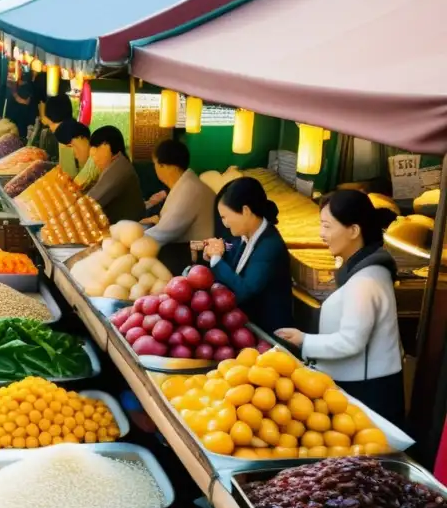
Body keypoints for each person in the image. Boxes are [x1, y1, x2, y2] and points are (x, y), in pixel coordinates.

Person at [275, 190, 404, 425]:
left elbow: (351, 342)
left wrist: (304, 340)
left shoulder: (365, 282)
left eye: (327, 226)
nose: (321, 234)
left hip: (367, 394)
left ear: (353, 230)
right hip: (362, 384)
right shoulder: (363, 269)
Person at [202, 177, 293, 334]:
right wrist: (218, 249)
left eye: (225, 217)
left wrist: (216, 259)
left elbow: (244, 291)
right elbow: (231, 246)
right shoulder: (244, 235)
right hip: (243, 324)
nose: (224, 223)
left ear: (245, 211)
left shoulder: (270, 246)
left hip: (268, 334)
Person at [142, 139, 216, 273]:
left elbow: (165, 232)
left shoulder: (190, 189)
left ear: (165, 166)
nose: (155, 169)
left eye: (155, 164)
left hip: (197, 259)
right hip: (189, 251)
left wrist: (130, 240)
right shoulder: (186, 185)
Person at [85, 126, 144, 224]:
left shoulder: (118, 169)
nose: (95, 159)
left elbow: (91, 201)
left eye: (96, 150)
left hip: (127, 228)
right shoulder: (118, 164)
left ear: (107, 146)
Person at [54, 120, 96, 188]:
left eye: (72, 145)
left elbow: (76, 186)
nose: (75, 155)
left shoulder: (95, 161)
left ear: (82, 137)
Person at [5, 71, 36, 141]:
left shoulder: (27, 87)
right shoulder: (21, 87)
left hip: (22, 123)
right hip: (16, 122)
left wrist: (14, 93)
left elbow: (26, 102)